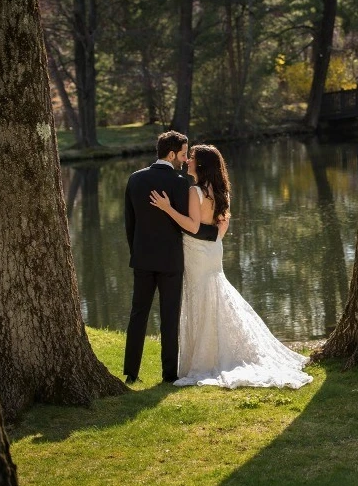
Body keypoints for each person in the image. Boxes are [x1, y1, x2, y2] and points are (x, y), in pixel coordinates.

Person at [150, 144, 313, 389]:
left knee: (202, 297)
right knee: (213, 294)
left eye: (192, 158)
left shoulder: (195, 191)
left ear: (201, 165)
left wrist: (167, 208)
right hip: (213, 251)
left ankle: (206, 358)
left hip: (196, 252)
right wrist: (212, 240)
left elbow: (193, 227)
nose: (188, 162)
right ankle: (215, 351)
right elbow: (220, 230)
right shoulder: (220, 191)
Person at [123, 131, 220, 384]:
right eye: (184, 153)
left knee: (138, 314)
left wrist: (137, 253)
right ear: (171, 154)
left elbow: (129, 225)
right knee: (169, 316)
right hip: (171, 261)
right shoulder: (179, 183)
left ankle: (130, 372)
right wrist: (215, 231)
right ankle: (169, 375)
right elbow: (187, 225)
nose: (185, 158)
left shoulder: (134, 180)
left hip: (142, 259)